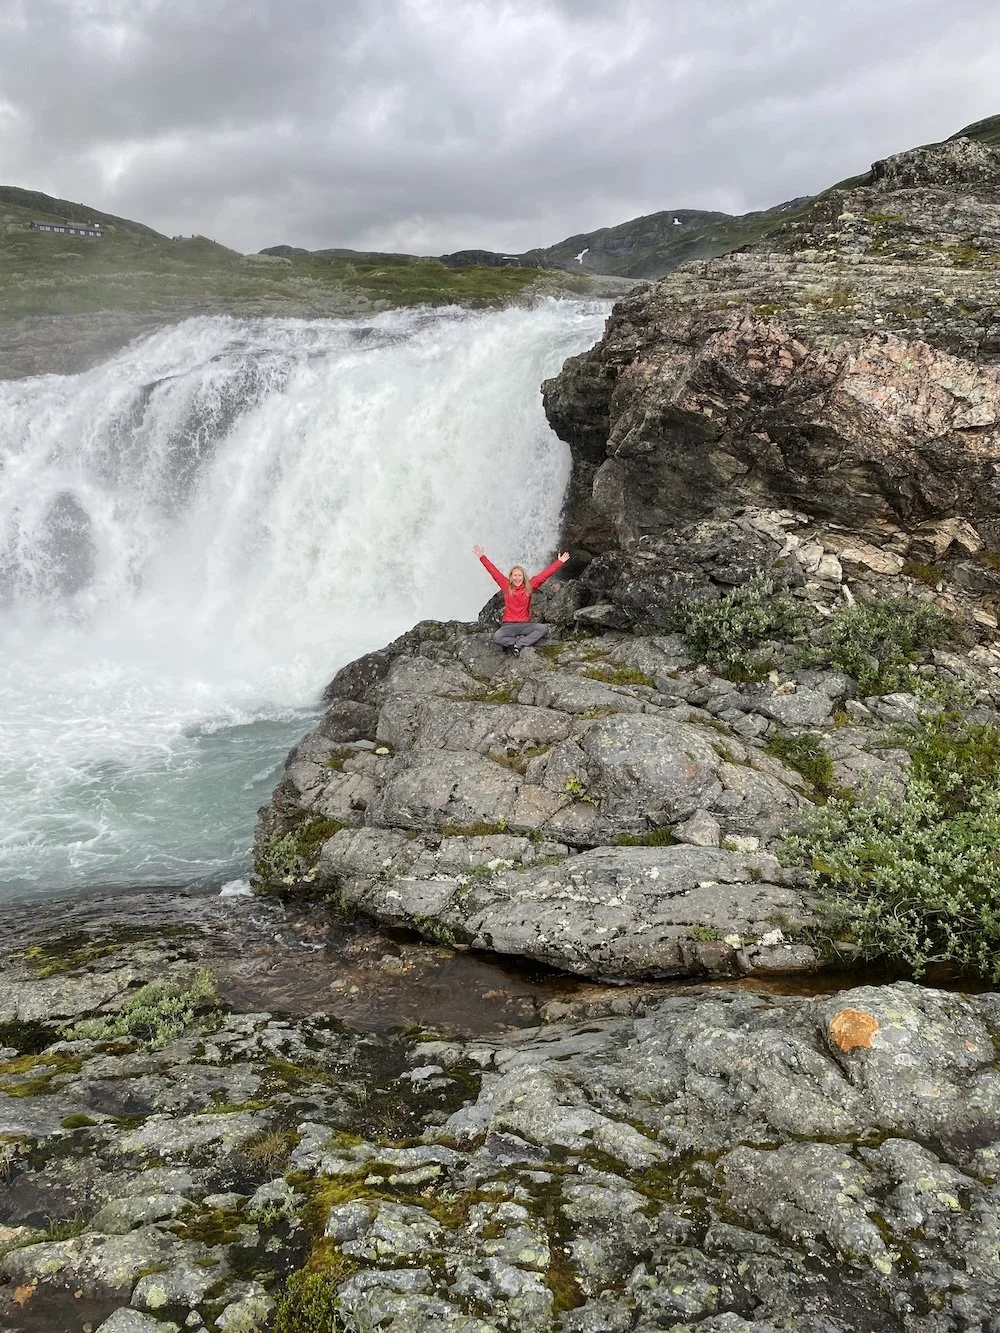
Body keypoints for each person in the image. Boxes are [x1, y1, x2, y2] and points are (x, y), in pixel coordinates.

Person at [473, 544, 569, 654]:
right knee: (497, 637)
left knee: (543, 629)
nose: (517, 578)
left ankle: (519, 644)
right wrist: (482, 557)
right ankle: (518, 642)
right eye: (515, 575)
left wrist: (559, 562)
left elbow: (544, 575)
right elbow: (494, 572)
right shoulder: (506, 586)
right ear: (511, 577)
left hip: (525, 625)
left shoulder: (530, 586)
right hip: (508, 625)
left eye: (519, 576)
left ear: (523, 577)